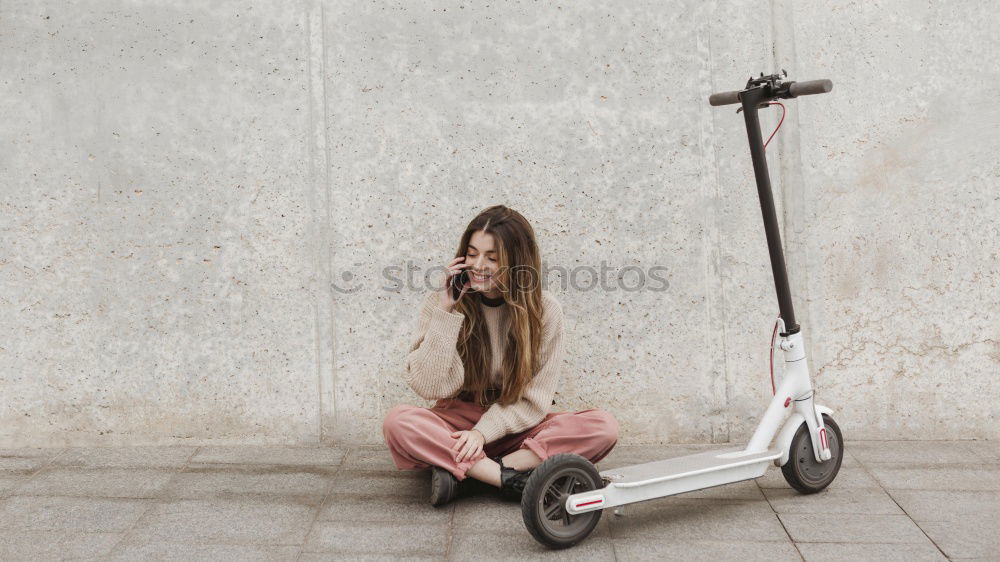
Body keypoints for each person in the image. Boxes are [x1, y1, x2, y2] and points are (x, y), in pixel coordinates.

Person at [382, 205, 620, 507]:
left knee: (603, 426)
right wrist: (446, 311)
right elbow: (428, 386)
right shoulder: (443, 303)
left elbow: (534, 400)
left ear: (516, 261)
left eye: (491, 258)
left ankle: (471, 474)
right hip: (458, 424)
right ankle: (508, 479)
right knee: (398, 422)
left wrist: (483, 434)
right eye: (471, 253)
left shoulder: (545, 311)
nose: (478, 264)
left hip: (517, 425)